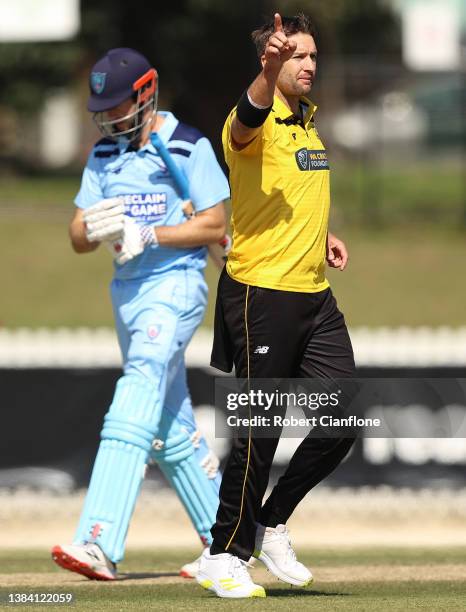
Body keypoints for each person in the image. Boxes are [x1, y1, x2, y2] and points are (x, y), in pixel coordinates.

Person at [51, 48, 230, 580]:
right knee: (170, 428)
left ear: (147, 92)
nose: (109, 118)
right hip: (127, 297)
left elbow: (214, 225)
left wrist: (150, 233)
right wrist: (96, 229)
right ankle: (229, 540)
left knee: (138, 387)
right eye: (101, 109)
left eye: (118, 106)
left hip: (174, 288)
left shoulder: (185, 144)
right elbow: (77, 235)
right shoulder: (104, 157)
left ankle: (97, 540)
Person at [196, 14, 356, 598]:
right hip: (261, 293)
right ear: (270, 63)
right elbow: (245, 123)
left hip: (314, 294)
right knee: (258, 432)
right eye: (296, 56)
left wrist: (325, 233)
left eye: (312, 55)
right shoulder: (250, 124)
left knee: (342, 422)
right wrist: (264, 74)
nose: (309, 64)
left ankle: (269, 520)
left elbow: (292, 196)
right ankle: (224, 553)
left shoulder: (308, 123)